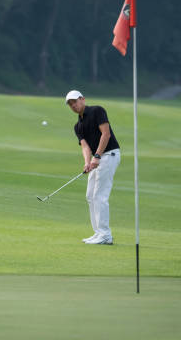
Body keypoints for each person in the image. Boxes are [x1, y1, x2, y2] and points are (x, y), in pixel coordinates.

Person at [65, 90, 120, 245]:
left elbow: (106, 134)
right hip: (97, 158)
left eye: (75, 101)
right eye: (70, 104)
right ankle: (98, 233)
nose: (73, 105)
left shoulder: (97, 111)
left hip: (109, 154)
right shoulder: (78, 126)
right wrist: (87, 162)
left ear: (82, 99)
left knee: (99, 195)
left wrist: (97, 156)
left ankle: (105, 235)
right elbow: (85, 146)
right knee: (90, 195)